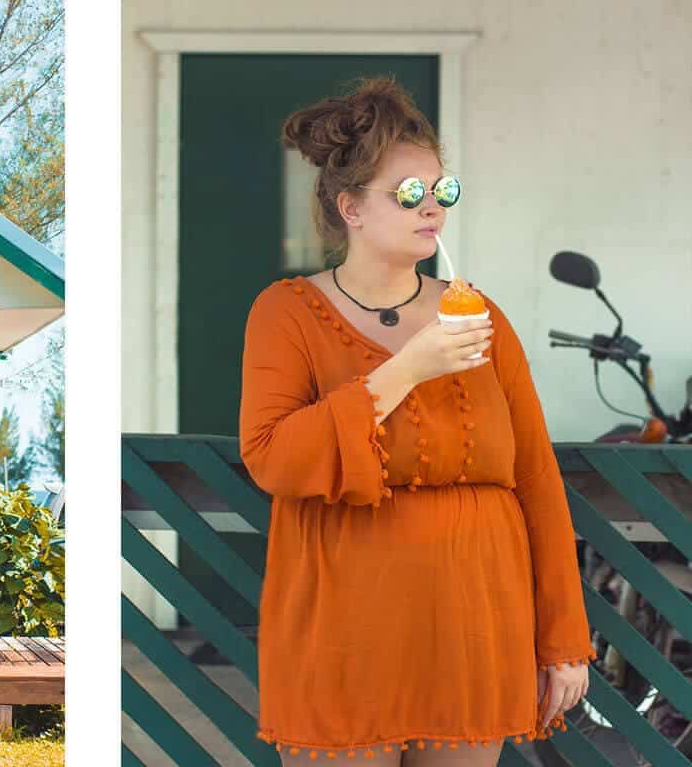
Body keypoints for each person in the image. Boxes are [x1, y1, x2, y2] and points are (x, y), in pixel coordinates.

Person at [238, 77, 593, 765]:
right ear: (351, 209)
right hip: (343, 631)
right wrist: (406, 369)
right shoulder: (284, 314)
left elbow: (537, 482)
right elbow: (272, 457)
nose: (433, 207)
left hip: (474, 630)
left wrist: (562, 640)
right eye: (409, 193)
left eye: (442, 190)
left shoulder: (479, 315)